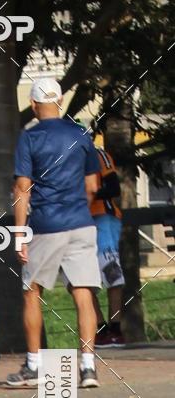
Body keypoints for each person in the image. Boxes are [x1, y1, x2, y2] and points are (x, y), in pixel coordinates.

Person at [9, 77, 102, 389]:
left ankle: (34, 365)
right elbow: (93, 185)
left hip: (45, 225)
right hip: (82, 223)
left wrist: (20, 234)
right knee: (83, 293)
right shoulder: (81, 134)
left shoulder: (29, 137)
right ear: (60, 101)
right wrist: (78, 208)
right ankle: (88, 368)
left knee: (32, 292)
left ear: (33, 104)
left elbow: (22, 188)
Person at [90, 145, 125, 347]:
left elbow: (114, 187)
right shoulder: (60, 157)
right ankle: (101, 329)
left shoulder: (99, 155)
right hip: (75, 222)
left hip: (104, 218)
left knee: (112, 273)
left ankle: (116, 329)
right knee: (79, 279)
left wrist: (87, 194)